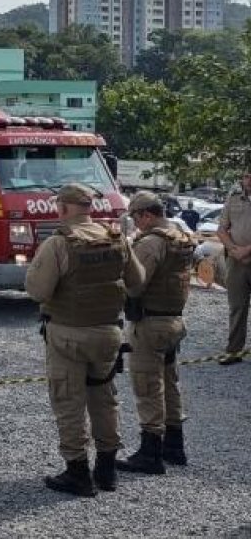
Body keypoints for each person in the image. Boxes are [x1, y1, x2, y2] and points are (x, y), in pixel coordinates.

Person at [26, 182, 145, 497]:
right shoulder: (116, 238)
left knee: (68, 403)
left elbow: (37, 291)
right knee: (104, 400)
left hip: (67, 335)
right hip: (108, 334)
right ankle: (106, 469)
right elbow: (137, 281)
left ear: (63, 208)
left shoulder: (59, 243)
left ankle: (77, 472)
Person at [116, 191, 196, 475]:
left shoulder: (150, 243)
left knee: (148, 385)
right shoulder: (178, 236)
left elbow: (136, 285)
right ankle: (175, 446)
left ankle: (150, 453)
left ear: (146, 215)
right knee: (170, 383)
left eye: (136, 218)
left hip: (149, 324)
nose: (135, 224)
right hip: (173, 320)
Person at [217, 170, 251, 365]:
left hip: (244, 254)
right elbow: (221, 229)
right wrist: (233, 249)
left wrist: (247, 250)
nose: (249, 179)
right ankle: (234, 351)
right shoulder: (234, 199)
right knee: (237, 307)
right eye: (247, 175)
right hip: (236, 261)